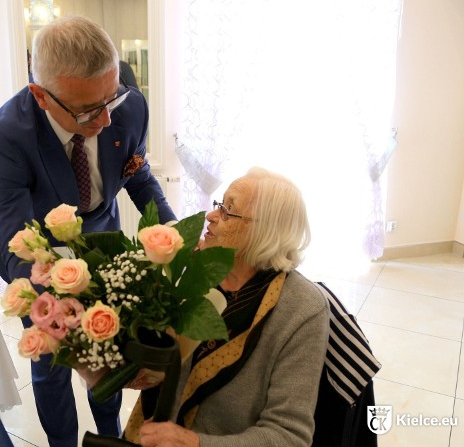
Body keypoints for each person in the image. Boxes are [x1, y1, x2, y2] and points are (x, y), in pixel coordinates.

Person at [0, 15, 176, 447]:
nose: (106, 119)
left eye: (111, 98)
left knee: (108, 349)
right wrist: (53, 301)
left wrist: (173, 233)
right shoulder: (6, 133)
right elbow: (15, 228)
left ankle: (110, 436)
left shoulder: (128, 108)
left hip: (99, 240)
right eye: (88, 110)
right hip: (36, 252)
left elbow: (139, 177)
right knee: (52, 366)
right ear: (41, 95)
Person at [124, 166, 330, 446]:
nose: (211, 216)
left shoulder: (301, 310)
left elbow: (289, 436)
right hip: (151, 432)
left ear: (264, 231)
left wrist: (194, 443)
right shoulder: (189, 267)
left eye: (228, 210)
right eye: (219, 204)